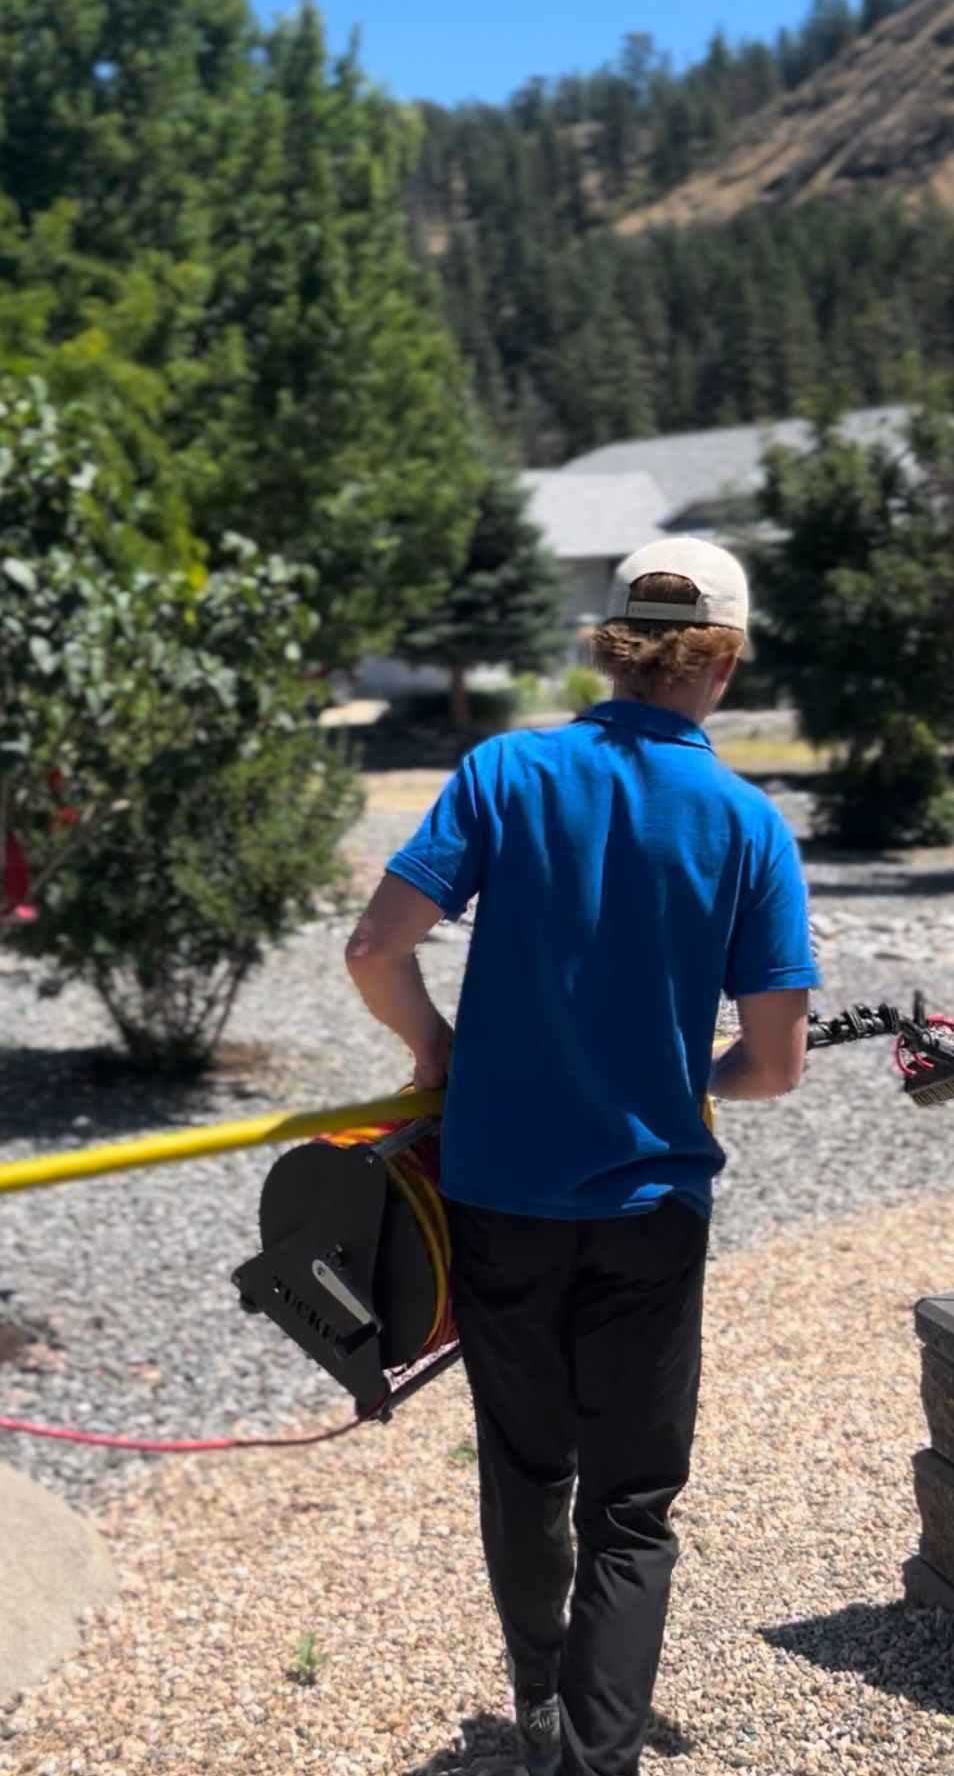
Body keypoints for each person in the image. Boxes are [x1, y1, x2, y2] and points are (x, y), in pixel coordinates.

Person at [345, 536, 819, 1776]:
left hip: (499, 1192)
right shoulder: (747, 824)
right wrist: (685, 1071)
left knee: (526, 1464)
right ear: (723, 654)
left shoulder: (507, 770)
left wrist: (437, 1046)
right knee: (629, 1505)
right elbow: (774, 1065)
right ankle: (594, 1760)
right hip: (652, 1206)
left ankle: (539, 1707)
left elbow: (372, 948)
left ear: (613, 642)